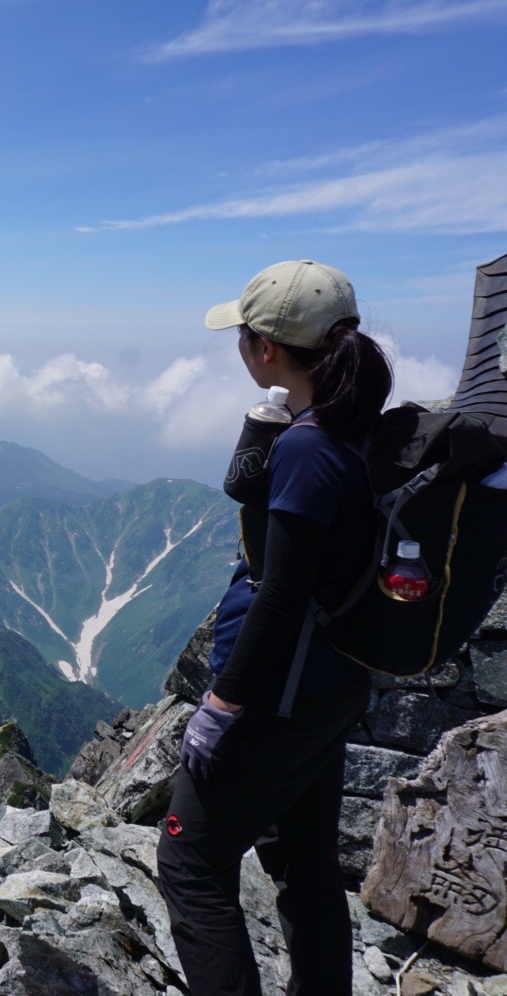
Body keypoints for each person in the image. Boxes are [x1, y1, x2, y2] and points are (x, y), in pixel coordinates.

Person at [157, 260, 391, 996]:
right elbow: (265, 517)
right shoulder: (358, 431)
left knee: (191, 866)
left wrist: (222, 706)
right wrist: (265, 431)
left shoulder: (310, 449)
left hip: (276, 699)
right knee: (304, 863)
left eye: (244, 335)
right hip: (331, 686)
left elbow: (281, 595)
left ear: (265, 348)